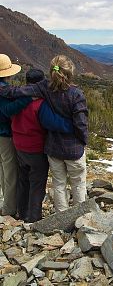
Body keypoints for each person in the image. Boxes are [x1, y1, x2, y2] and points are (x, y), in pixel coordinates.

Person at [0, 55, 88, 212]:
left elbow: (16, 92)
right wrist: (81, 139)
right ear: (70, 72)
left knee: (57, 183)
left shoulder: (43, 89)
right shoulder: (75, 94)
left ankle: (58, 216)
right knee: (77, 183)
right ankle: (79, 217)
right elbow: (79, 125)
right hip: (69, 148)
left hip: (46, 148)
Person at [3, 69, 74, 222]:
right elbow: (53, 123)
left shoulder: (16, 100)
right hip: (36, 149)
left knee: (24, 181)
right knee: (37, 183)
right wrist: (72, 125)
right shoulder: (39, 103)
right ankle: (33, 218)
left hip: (19, 146)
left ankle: (22, 213)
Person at [0, 54, 32, 216]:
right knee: (10, 172)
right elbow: (6, 111)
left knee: (3, 170)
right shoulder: (2, 89)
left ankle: (7, 203)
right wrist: (27, 99)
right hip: (4, 135)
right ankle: (9, 209)